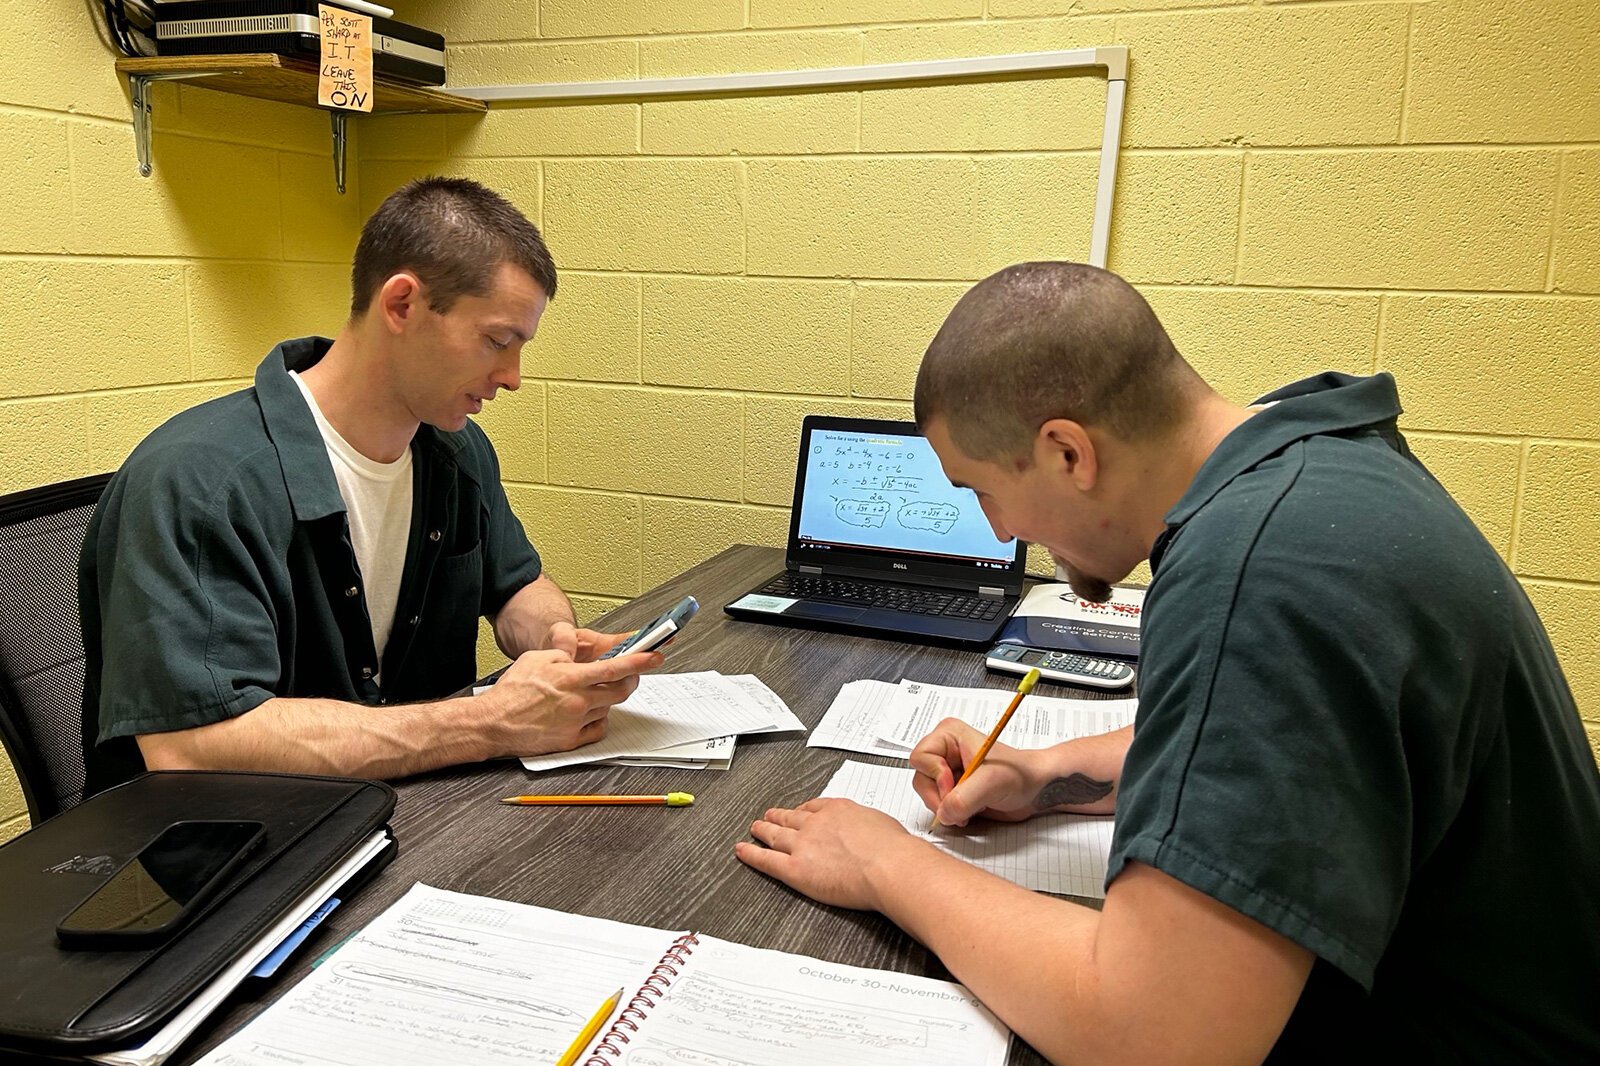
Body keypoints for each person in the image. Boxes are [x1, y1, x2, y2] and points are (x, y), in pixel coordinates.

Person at [735, 262, 1600, 1063]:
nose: (999, 531)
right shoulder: (1311, 469)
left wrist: (883, 862)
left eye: (982, 491)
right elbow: (1280, 746)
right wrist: (1045, 771)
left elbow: (1154, 1036)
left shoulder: (1261, 568)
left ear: (1068, 452)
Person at [80, 177, 661, 795]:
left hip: (410, 815)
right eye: (496, 341)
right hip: (230, 853)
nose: (512, 377)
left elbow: (517, 584)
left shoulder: (455, 451)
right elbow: (195, 746)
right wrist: (489, 721)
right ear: (402, 304)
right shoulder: (199, 483)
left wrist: (553, 638)